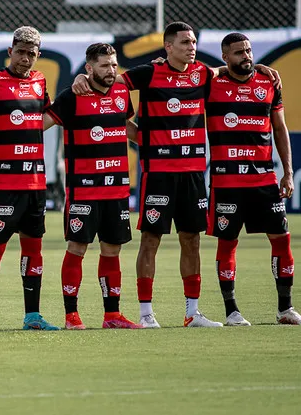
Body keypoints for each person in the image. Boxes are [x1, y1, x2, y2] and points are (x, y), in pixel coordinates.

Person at [71, 22, 280, 328]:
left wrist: (259, 66)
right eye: (184, 42)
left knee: (191, 240)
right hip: (159, 173)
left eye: (193, 42)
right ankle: (146, 313)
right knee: (151, 240)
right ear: (168, 47)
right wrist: (81, 76)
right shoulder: (148, 73)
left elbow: (233, 70)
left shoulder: (204, 73)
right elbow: (109, 81)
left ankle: (192, 312)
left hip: (194, 172)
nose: (191, 47)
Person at [43, 43, 142, 329]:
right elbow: (40, 124)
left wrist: (165, 142)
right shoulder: (72, 96)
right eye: (104, 66)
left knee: (112, 250)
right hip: (83, 189)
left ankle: (112, 315)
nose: (111, 71)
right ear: (89, 68)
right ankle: (71, 316)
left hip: (117, 188)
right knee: (77, 248)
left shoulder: (123, 93)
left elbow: (126, 127)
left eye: (113, 65)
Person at [0, 26, 60, 334]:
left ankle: (32, 315)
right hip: (3, 183)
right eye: (20, 52)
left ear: (38, 56)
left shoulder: (39, 82)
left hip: (35, 182)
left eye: (31, 54)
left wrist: (28, 135)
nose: (25, 59)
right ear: (10, 52)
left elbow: (44, 118)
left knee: (33, 250)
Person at [206, 33, 299, 325]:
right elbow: (192, 74)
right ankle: (231, 311)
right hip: (226, 182)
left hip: (264, 179)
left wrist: (287, 171)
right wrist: (221, 71)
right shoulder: (212, 84)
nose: (246, 56)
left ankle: (285, 309)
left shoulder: (268, 83)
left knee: (282, 241)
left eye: (248, 50)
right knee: (227, 244)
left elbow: (280, 129)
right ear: (225, 57)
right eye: (238, 53)